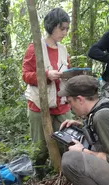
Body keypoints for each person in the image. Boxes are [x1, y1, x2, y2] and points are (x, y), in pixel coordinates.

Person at [22, 8, 72, 174]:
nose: (64, 32)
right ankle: (40, 176)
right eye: (61, 28)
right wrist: (46, 75)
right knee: (40, 146)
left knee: (68, 140)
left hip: (61, 103)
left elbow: (68, 70)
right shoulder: (35, 47)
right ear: (52, 26)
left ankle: (67, 172)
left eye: (66, 28)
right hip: (39, 103)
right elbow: (26, 75)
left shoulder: (64, 49)